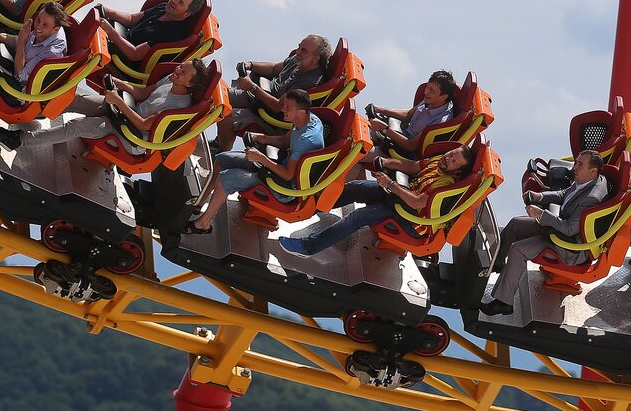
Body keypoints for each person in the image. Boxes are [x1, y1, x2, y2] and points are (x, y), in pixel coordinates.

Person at [278, 144, 473, 256]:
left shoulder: (445, 184)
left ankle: (308, 247)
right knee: (357, 187)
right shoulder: (440, 160)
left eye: (453, 161)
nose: (448, 158)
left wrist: (390, 185)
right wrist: (385, 162)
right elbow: (412, 166)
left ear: (457, 171)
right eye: (450, 154)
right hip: (402, 196)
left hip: (412, 219)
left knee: (359, 217)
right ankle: (306, 209)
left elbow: (417, 203)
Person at [479, 150, 608, 316]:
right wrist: (539, 196)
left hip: (569, 246)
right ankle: (497, 263)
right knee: (515, 224)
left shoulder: (591, 198)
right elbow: (565, 194)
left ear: (593, 171)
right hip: (559, 230)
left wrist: (541, 214)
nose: (575, 167)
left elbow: (569, 229)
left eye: (580, 165)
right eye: (576, 162)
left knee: (518, 249)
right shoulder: (587, 179)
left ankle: (504, 303)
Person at [0, 59, 211, 152]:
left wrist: (117, 102)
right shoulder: (170, 79)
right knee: (76, 99)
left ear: (190, 84)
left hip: (132, 135)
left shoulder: (179, 107)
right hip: (126, 111)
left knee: (77, 126)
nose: (178, 70)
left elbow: (144, 126)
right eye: (181, 66)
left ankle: (18, 141)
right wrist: (119, 83)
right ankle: (29, 113)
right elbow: (143, 92)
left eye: (184, 72)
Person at [187, 89, 324, 234]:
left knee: (226, 178)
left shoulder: (307, 140)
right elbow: (285, 141)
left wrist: (261, 158)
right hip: (279, 166)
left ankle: (203, 223)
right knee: (222, 159)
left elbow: (288, 175)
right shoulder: (306, 119)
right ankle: (200, 202)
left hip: (284, 187)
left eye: (287, 107)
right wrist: (261, 138)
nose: (282, 109)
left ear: (301, 112)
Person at [212, 35, 331, 152]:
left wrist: (252, 87)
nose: (298, 52)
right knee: (218, 96)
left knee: (225, 116)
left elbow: (278, 106)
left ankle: (220, 152)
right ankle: (218, 141)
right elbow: (274, 68)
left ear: (316, 58)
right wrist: (250, 65)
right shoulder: (298, 60)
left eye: (303, 50)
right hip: (259, 96)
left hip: (271, 117)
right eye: (299, 47)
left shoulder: (308, 84)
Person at [99, 0, 206, 62]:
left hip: (123, 57)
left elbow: (134, 54)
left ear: (186, 14)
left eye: (181, 3)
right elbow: (132, 19)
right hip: (120, 39)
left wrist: (110, 32)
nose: (174, 1)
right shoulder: (164, 7)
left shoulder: (172, 34)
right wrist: (108, 11)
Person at [368, 70, 456, 155]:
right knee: (362, 134)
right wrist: (382, 110)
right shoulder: (431, 100)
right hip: (401, 133)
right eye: (427, 87)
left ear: (443, 97)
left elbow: (411, 145)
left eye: (431, 90)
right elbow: (408, 115)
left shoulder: (440, 122)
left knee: (362, 152)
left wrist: (384, 129)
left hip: (404, 152)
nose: (426, 92)